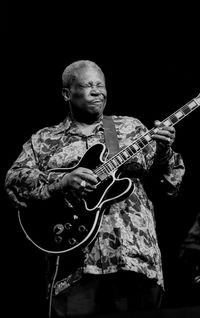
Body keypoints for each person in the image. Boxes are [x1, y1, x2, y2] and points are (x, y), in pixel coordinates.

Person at [5, 60, 185, 317]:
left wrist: (165, 151)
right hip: (73, 267)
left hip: (133, 259)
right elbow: (14, 180)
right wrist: (61, 183)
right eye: (88, 85)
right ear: (67, 93)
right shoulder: (44, 139)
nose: (97, 91)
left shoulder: (130, 128)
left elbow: (170, 185)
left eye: (100, 85)